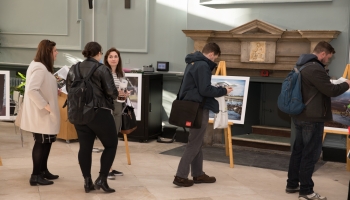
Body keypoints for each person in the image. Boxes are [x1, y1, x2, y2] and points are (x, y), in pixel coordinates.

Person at [286, 41, 350, 200]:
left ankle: (292, 184)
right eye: (328, 57)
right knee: (310, 154)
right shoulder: (315, 68)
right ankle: (306, 191)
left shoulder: (300, 65)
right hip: (312, 118)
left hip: (300, 115)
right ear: (322, 54)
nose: (328, 60)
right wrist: (347, 83)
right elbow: (331, 90)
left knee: (298, 152)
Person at [173, 43, 233, 187]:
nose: (214, 62)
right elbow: (205, 90)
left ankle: (198, 174)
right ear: (212, 54)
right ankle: (180, 176)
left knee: (197, 141)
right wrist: (224, 91)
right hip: (198, 108)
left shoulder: (192, 62)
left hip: (191, 107)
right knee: (194, 143)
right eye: (215, 58)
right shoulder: (203, 66)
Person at [66, 42, 119, 193]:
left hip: (78, 114)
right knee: (111, 144)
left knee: (85, 147)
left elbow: (69, 89)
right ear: (99, 53)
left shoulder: (73, 68)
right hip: (98, 112)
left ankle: (87, 181)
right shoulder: (102, 69)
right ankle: (102, 179)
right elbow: (112, 92)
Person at [20, 39, 60, 186]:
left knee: (46, 143)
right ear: (48, 52)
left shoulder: (42, 66)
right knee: (41, 143)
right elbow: (32, 90)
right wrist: (45, 105)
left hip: (44, 115)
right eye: (55, 51)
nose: (57, 53)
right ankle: (35, 175)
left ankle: (43, 170)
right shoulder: (39, 68)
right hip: (41, 115)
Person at [103, 47, 126, 180]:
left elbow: (121, 92)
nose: (113, 59)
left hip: (119, 107)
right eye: (110, 56)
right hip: (108, 108)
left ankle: (109, 166)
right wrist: (116, 93)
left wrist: (125, 94)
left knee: (114, 139)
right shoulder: (103, 72)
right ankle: (106, 169)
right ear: (106, 59)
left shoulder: (121, 73)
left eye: (115, 56)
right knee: (109, 139)